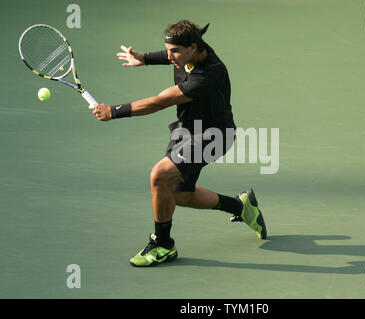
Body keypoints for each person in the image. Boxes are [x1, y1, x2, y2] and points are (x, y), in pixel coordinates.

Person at [91, 20, 267, 267]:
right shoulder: (190, 52)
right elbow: (170, 54)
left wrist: (115, 111)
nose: (170, 56)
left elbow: (159, 102)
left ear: (194, 48)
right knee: (180, 195)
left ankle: (163, 245)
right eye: (168, 50)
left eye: (175, 51)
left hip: (213, 136)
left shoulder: (209, 74)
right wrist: (145, 58)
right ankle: (240, 206)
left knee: (159, 176)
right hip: (187, 131)